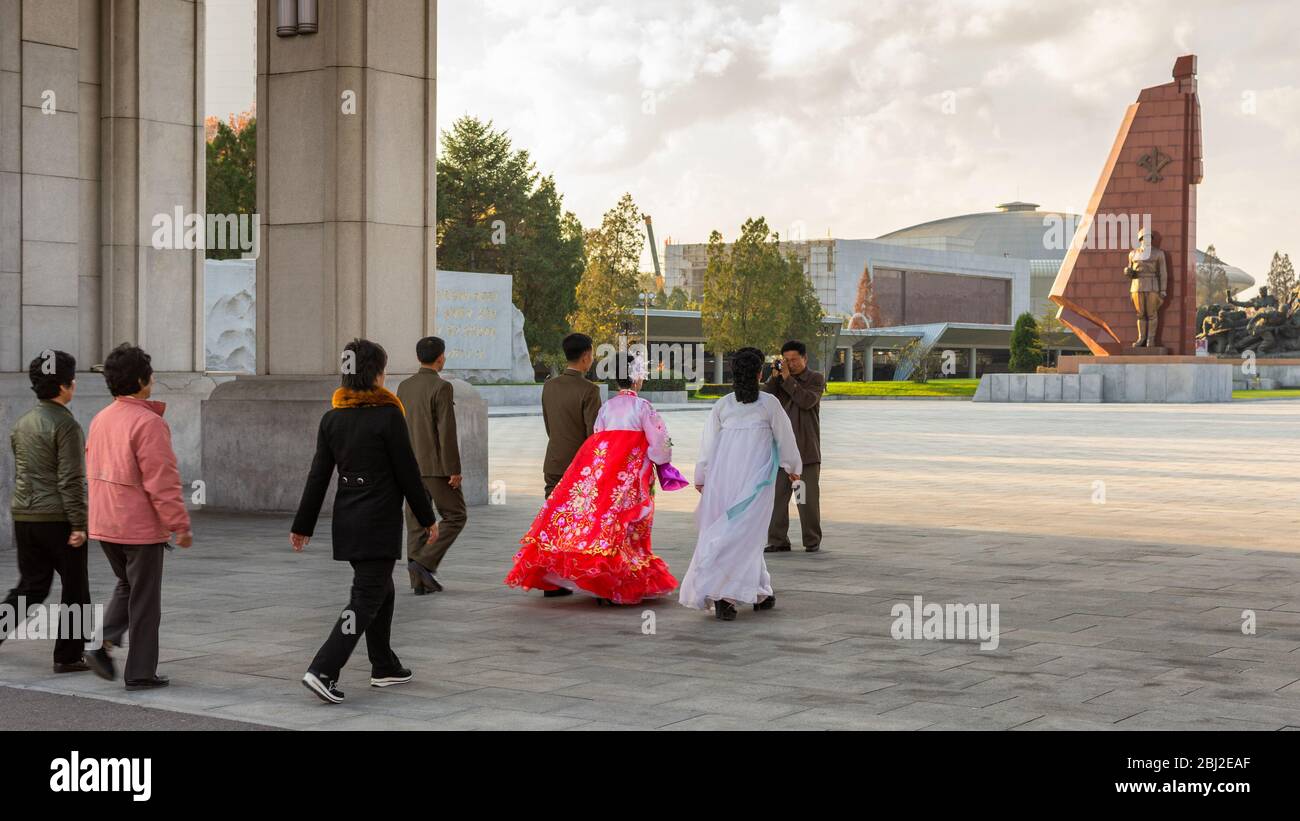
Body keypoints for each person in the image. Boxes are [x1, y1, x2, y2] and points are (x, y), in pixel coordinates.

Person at [291, 339, 437, 705]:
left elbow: (317, 476)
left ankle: (384, 665)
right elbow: (408, 471)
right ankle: (324, 668)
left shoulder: (332, 419)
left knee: (379, 589)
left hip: (349, 521)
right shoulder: (388, 415)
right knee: (365, 599)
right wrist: (426, 517)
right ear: (376, 373)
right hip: (379, 522)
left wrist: (302, 525)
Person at [506, 353, 678, 604]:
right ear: (637, 378)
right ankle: (620, 582)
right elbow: (660, 443)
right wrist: (660, 460)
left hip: (606, 476)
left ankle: (602, 579)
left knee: (607, 523)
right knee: (630, 527)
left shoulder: (607, 407)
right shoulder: (643, 407)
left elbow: (598, 438)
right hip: (633, 478)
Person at [84, 344, 192, 689]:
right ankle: (140, 672)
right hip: (138, 526)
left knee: (127, 585)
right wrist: (179, 524)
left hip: (104, 522)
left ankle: (102, 642)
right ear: (144, 380)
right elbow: (162, 481)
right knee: (145, 602)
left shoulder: (100, 418)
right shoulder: (149, 423)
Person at [680, 348, 801, 620]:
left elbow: (708, 445)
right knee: (744, 533)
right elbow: (786, 437)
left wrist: (702, 476)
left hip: (722, 480)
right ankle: (725, 595)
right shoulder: (768, 404)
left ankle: (760, 590)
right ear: (759, 374)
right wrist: (793, 467)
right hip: (756, 481)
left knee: (741, 532)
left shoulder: (723, 405)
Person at [0, 351, 94, 674]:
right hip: (58, 518)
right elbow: (70, 479)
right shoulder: (67, 425)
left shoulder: (22, 423)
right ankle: (68, 655)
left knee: (32, 586)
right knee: (76, 588)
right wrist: (80, 524)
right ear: (65, 386)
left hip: (24, 516)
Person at [397, 336, 466, 595]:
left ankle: (419, 581)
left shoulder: (404, 386)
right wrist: (454, 469)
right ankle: (425, 563)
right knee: (456, 515)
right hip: (436, 466)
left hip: (410, 465)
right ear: (441, 357)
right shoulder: (442, 387)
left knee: (416, 520)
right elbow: (446, 431)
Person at [763, 340, 826, 554]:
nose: (791, 364)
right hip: (781, 453)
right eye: (786, 361)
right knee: (777, 499)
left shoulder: (815, 379)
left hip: (806, 453)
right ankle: (777, 540)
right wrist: (775, 377)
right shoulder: (779, 380)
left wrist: (788, 379)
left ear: (805, 358)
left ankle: (811, 540)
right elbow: (765, 399)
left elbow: (806, 401)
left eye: (794, 360)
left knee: (805, 500)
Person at [541, 333, 602, 500]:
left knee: (552, 516)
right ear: (585, 356)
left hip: (553, 463)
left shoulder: (549, 386)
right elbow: (593, 435)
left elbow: (549, 426)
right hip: (578, 466)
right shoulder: (590, 390)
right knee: (576, 520)